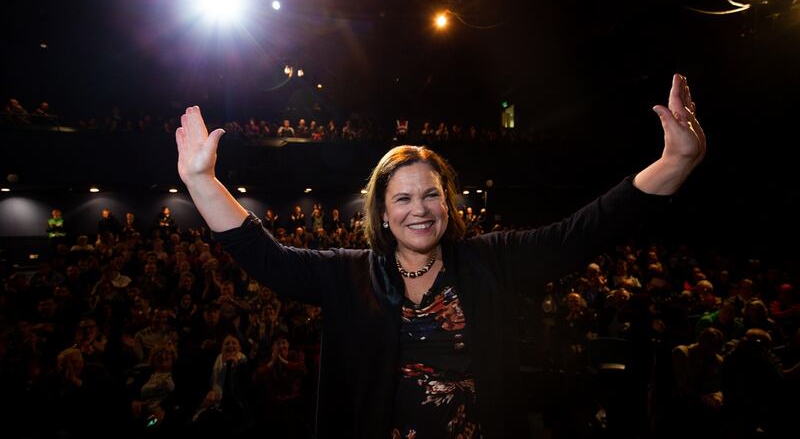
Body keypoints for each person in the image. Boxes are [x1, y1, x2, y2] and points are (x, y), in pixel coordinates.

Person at [173, 73, 706, 438]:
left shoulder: (489, 261)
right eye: (402, 198)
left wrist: (674, 163)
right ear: (382, 213)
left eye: (431, 194)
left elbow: (582, 232)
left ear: (448, 203)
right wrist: (201, 180)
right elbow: (266, 257)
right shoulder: (348, 275)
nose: (419, 209)